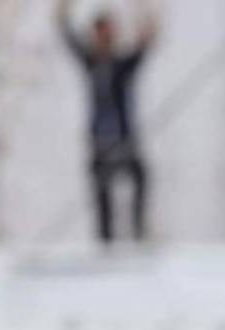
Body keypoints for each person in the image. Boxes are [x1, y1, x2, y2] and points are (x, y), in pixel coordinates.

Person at [56, 0, 157, 243]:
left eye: (108, 32)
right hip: (99, 141)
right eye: (100, 33)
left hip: (124, 139)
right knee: (102, 196)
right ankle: (105, 242)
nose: (104, 37)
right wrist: (62, 9)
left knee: (140, 178)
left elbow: (146, 44)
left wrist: (146, 11)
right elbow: (66, 35)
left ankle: (138, 231)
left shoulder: (123, 64)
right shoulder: (91, 63)